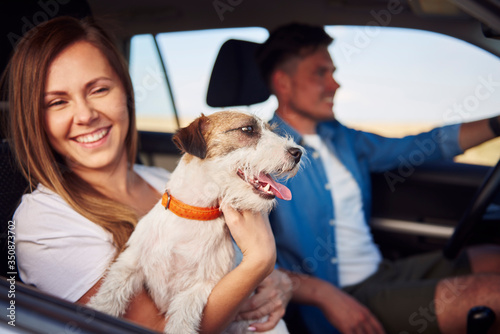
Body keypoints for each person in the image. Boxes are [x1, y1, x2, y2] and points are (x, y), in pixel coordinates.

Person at [5, 16, 289, 333]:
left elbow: (234, 265)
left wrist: (281, 283)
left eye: (98, 89)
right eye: (57, 102)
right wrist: (259, 262)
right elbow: (147, 328)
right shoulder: (44, 219)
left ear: (127, 93)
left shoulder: (162, 179)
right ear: (36, 120)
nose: (85, 115)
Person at [255, 22, 500, 334]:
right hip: (339, 298)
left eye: (333, 71)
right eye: (321, 73)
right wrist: (324, 294)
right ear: (283, 83)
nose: (335, 84)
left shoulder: (341, 138)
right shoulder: (260, 155)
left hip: (381, 272)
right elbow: (246, 261)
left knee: (494, 257)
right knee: (493, 296)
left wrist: (496, 125)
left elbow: (423, 146)